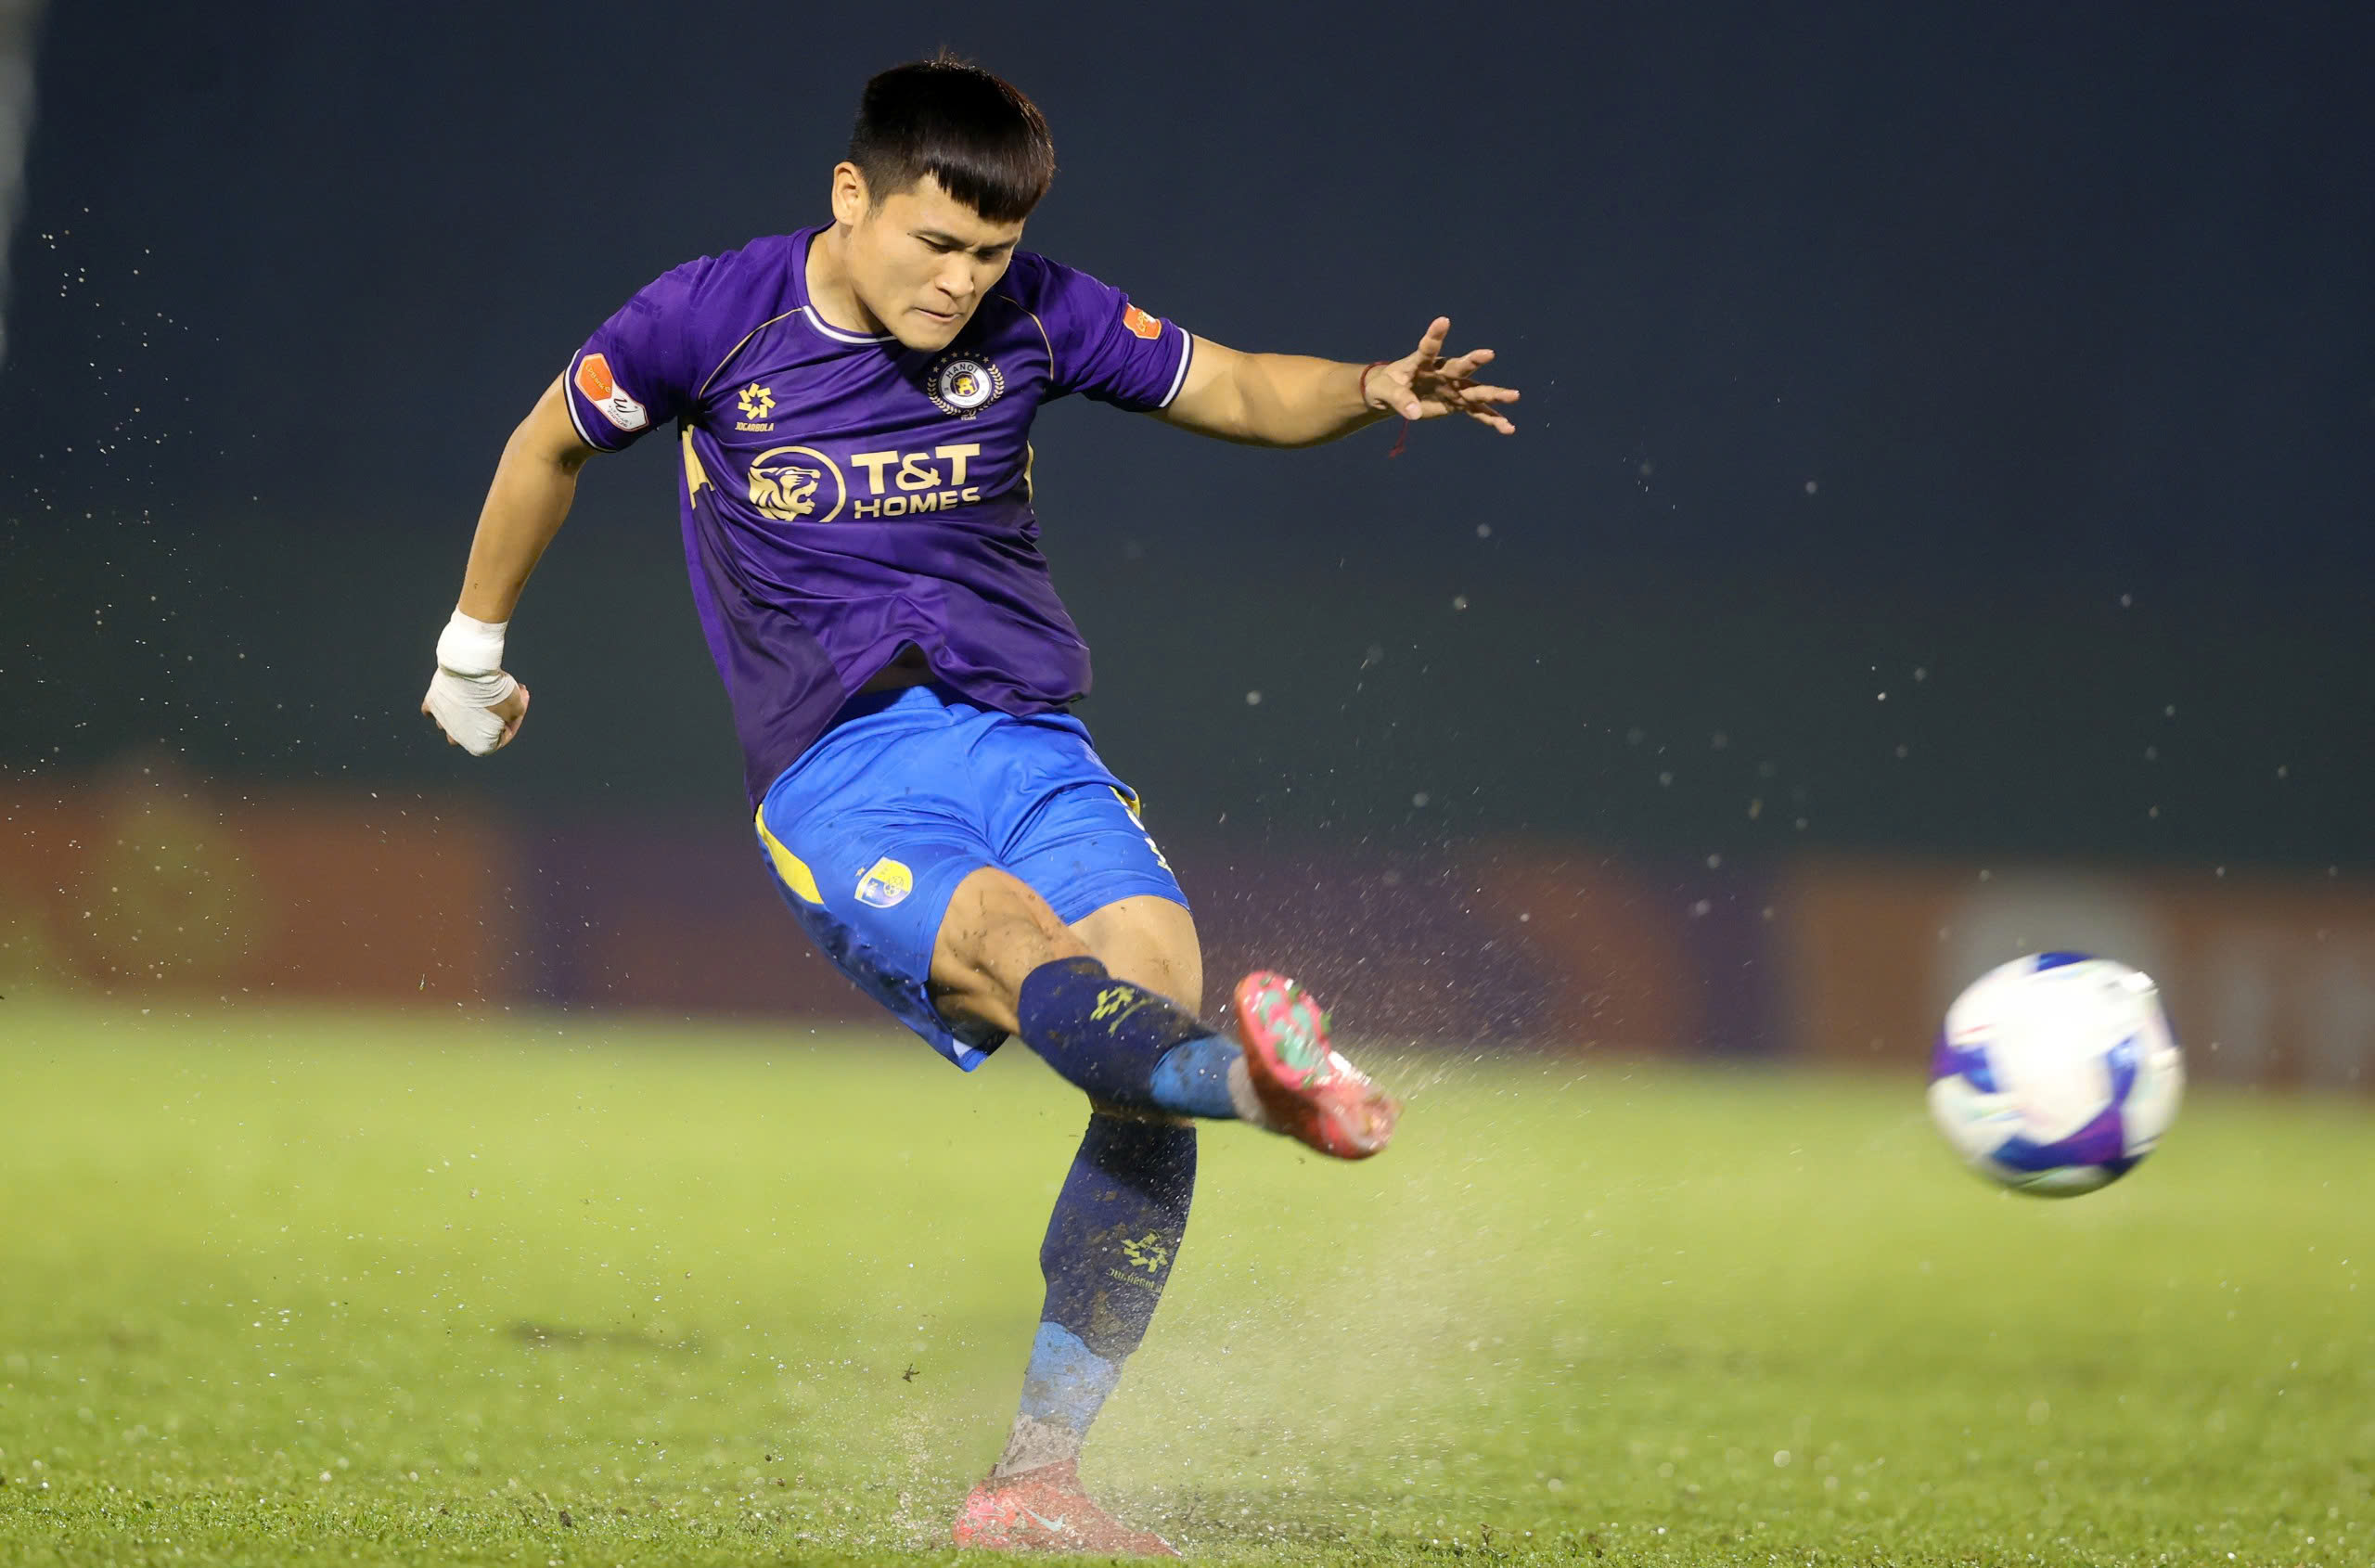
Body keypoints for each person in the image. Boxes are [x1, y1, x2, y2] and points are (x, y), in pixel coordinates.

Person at [420, 55, 1518, 1557]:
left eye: (991, 253)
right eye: (937, 243)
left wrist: (1370, 388)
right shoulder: (705, 320)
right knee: (1016, 947)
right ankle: (1267, 1091)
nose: (962, 282)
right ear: (850, 196)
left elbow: (1235, 385)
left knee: (1150, 1003)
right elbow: (545, 442)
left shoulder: (1037, 312)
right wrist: (469, 650)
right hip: (844, 772)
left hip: (1030, 742)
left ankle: (1038, 1479)